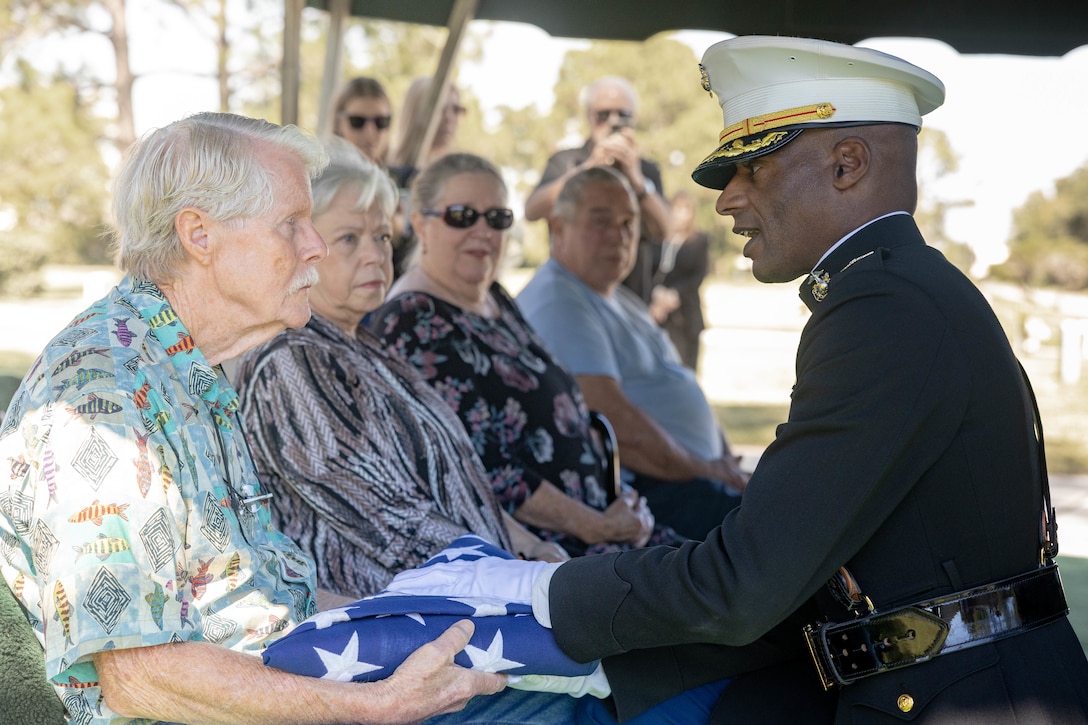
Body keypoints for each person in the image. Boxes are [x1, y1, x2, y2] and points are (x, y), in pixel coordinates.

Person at [385, 36, 1088, 723]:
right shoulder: (900, 290)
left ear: (847, 164)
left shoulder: (879, 308)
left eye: (755, 168)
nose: (728, 200)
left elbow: (745, 582)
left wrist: (538, 592)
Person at [0, 112, 574, 725]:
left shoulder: (186, 367)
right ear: (198, 235)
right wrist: (374, 705)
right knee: (593, 702)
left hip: (289, 677)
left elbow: (260, 597)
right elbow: (140, 675)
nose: (317, 247)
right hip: (232, 709)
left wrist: (420, 620)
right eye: (291, 225)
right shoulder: (102, 397)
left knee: (602, 678)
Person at [233, 139, 564, 600]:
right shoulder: (291, 361)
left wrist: (528, 546)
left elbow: (455, 483)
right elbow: (387, 520)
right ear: (302, 247)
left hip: (465, 598)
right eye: (349, 238)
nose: (375, 254)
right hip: (393, 629)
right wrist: (516, 578)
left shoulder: (367, 347)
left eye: (382, 237)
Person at [369, 152, 687, 559]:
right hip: (543, 556)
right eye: (462, 216)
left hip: (605, 527)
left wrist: (622, 503)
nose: (482, 232)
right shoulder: (410, 320)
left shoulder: (494, 298)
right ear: (421, 223)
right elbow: (475, 470)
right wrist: (595, 525)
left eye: (497, 218)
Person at [518, 165, 747, 540]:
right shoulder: (560, 300)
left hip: (691, 479)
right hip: (651, 494)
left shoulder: (618, 298)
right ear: (558, 228)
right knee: (791, 533)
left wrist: (722, 461)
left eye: (628, 223)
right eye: (601, 221)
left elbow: (676, 382)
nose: (619, 236)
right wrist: (707, 469)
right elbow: (613, 423)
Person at [523, 76, 669, 304]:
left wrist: (637, 180)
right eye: (603, 115)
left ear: (635, 119)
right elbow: (532, 210)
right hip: (571, 294)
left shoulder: (646, 169)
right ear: (589, 117)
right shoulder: (566, 161)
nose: (613, 122)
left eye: (623, 115)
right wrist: (588, 168)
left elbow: (666, 230)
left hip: (631, 297)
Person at [387, 76, 467, 278]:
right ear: (417, 111)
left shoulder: (460, 179)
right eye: (440, 108)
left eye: (456, 109)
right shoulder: (387, 176)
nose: (449, 117)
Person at [648, 190, 710, 370]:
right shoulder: (657, 240)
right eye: (675, 208)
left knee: (684, 368)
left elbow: (698, 276)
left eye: (684, 209)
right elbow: (648, 271)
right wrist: (656, 295)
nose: (679, 214)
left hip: (684, 316)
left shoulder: (699, 241)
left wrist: (673, 295)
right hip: (656, 314)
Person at [330, 76, 394, 167]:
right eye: (357, 121)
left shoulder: (405, 179)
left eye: (380, 122)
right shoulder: (316, 177)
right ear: (338, 123)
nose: (370, 133)